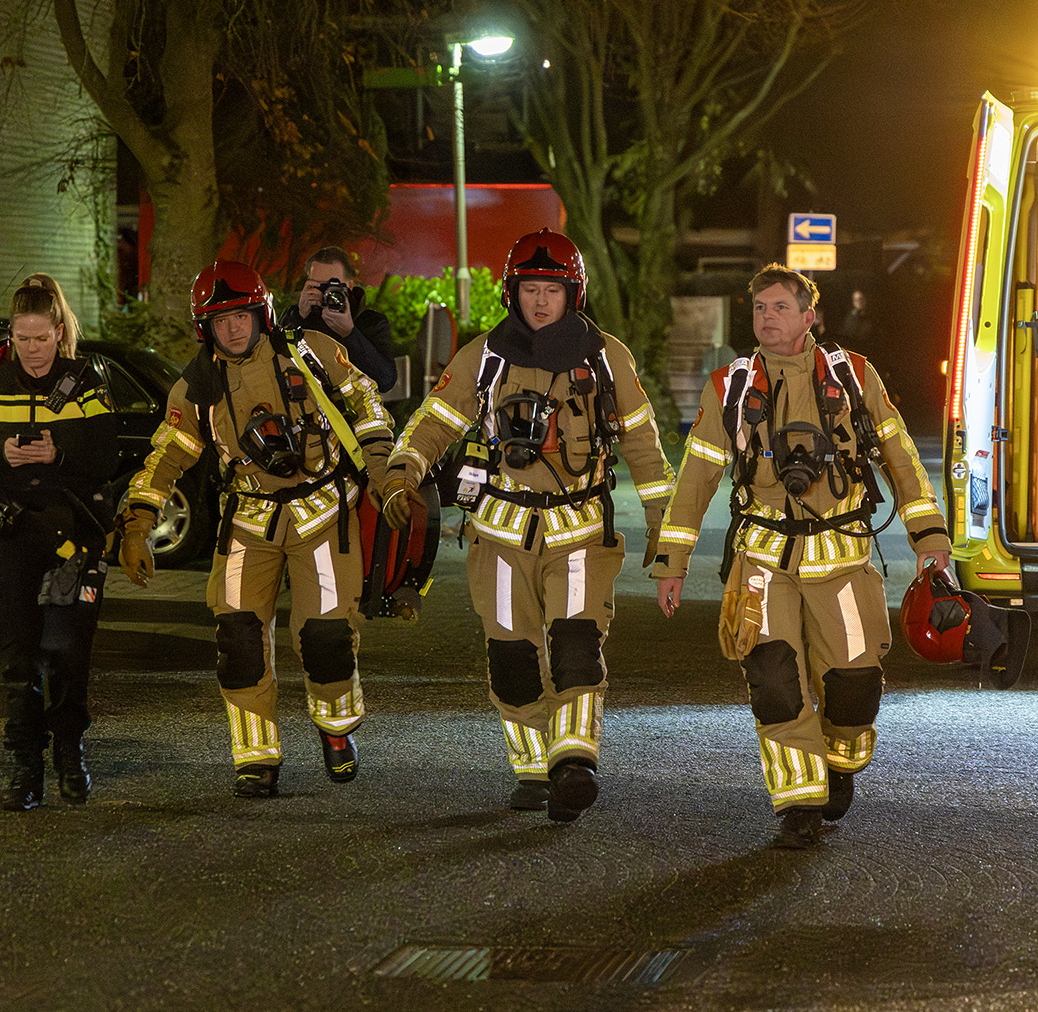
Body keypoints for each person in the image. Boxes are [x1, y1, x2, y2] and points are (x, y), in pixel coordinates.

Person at [375, 229, 671, 822]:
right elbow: (434, 422)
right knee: (512, 656)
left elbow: (643, 445)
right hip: (501, 534)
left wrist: (668, 528)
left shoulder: (607, 358)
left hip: (582, 530)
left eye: (552, 290)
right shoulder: (484, 357)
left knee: (576, 647)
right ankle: (535, 768)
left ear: (573, 294)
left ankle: (575, 760)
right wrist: (402, 473)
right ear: (514, 292)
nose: (541, 301)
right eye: (531, 289)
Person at [652, 264, 950, 850]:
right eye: (760, 308)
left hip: (842, 563)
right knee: (773, 683)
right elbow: (696, 478)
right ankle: (798, 802)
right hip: (761, 563)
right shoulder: (730, 388)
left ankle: (839, 763)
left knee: (854, 685)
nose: (767, 317)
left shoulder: (854, 375)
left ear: (809, 316)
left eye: (780, 307)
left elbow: (901, 455)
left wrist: (930, 537)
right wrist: (672, 561)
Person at [116, 259, 394, 797]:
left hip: (322, 514)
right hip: (247, 520)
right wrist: (138, 522)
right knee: (238, 638)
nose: (234, 328)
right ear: (206, 329)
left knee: (328, 636)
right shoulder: (196, 388)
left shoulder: (309, 351)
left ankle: (336, 731)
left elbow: (366, 402)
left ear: (260, 313)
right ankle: (256, 758)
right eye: (221, 321)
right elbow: (166, 457)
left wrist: (385, 472)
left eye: (241, 316)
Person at [0, 273, 121, 812]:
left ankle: (71, 757)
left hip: (72, 532)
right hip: (17, 531)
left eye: (41, 338)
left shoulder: (86, 379)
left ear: (59, 332)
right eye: (21, 339)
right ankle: (24, 767)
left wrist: (59, 457)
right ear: (11, 336)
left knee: (70, 656)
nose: (31, 350)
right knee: (19, 658)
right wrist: (2, 453)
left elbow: (108, 460)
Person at [279, 245, 401, 393]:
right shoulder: (297, 316)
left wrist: (350, 334)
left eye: (333, 286)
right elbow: (276, 364)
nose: (326, 293)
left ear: (349, 286)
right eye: (318, 286)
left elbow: (385, 381)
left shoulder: (371, 322)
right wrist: (299, 317)